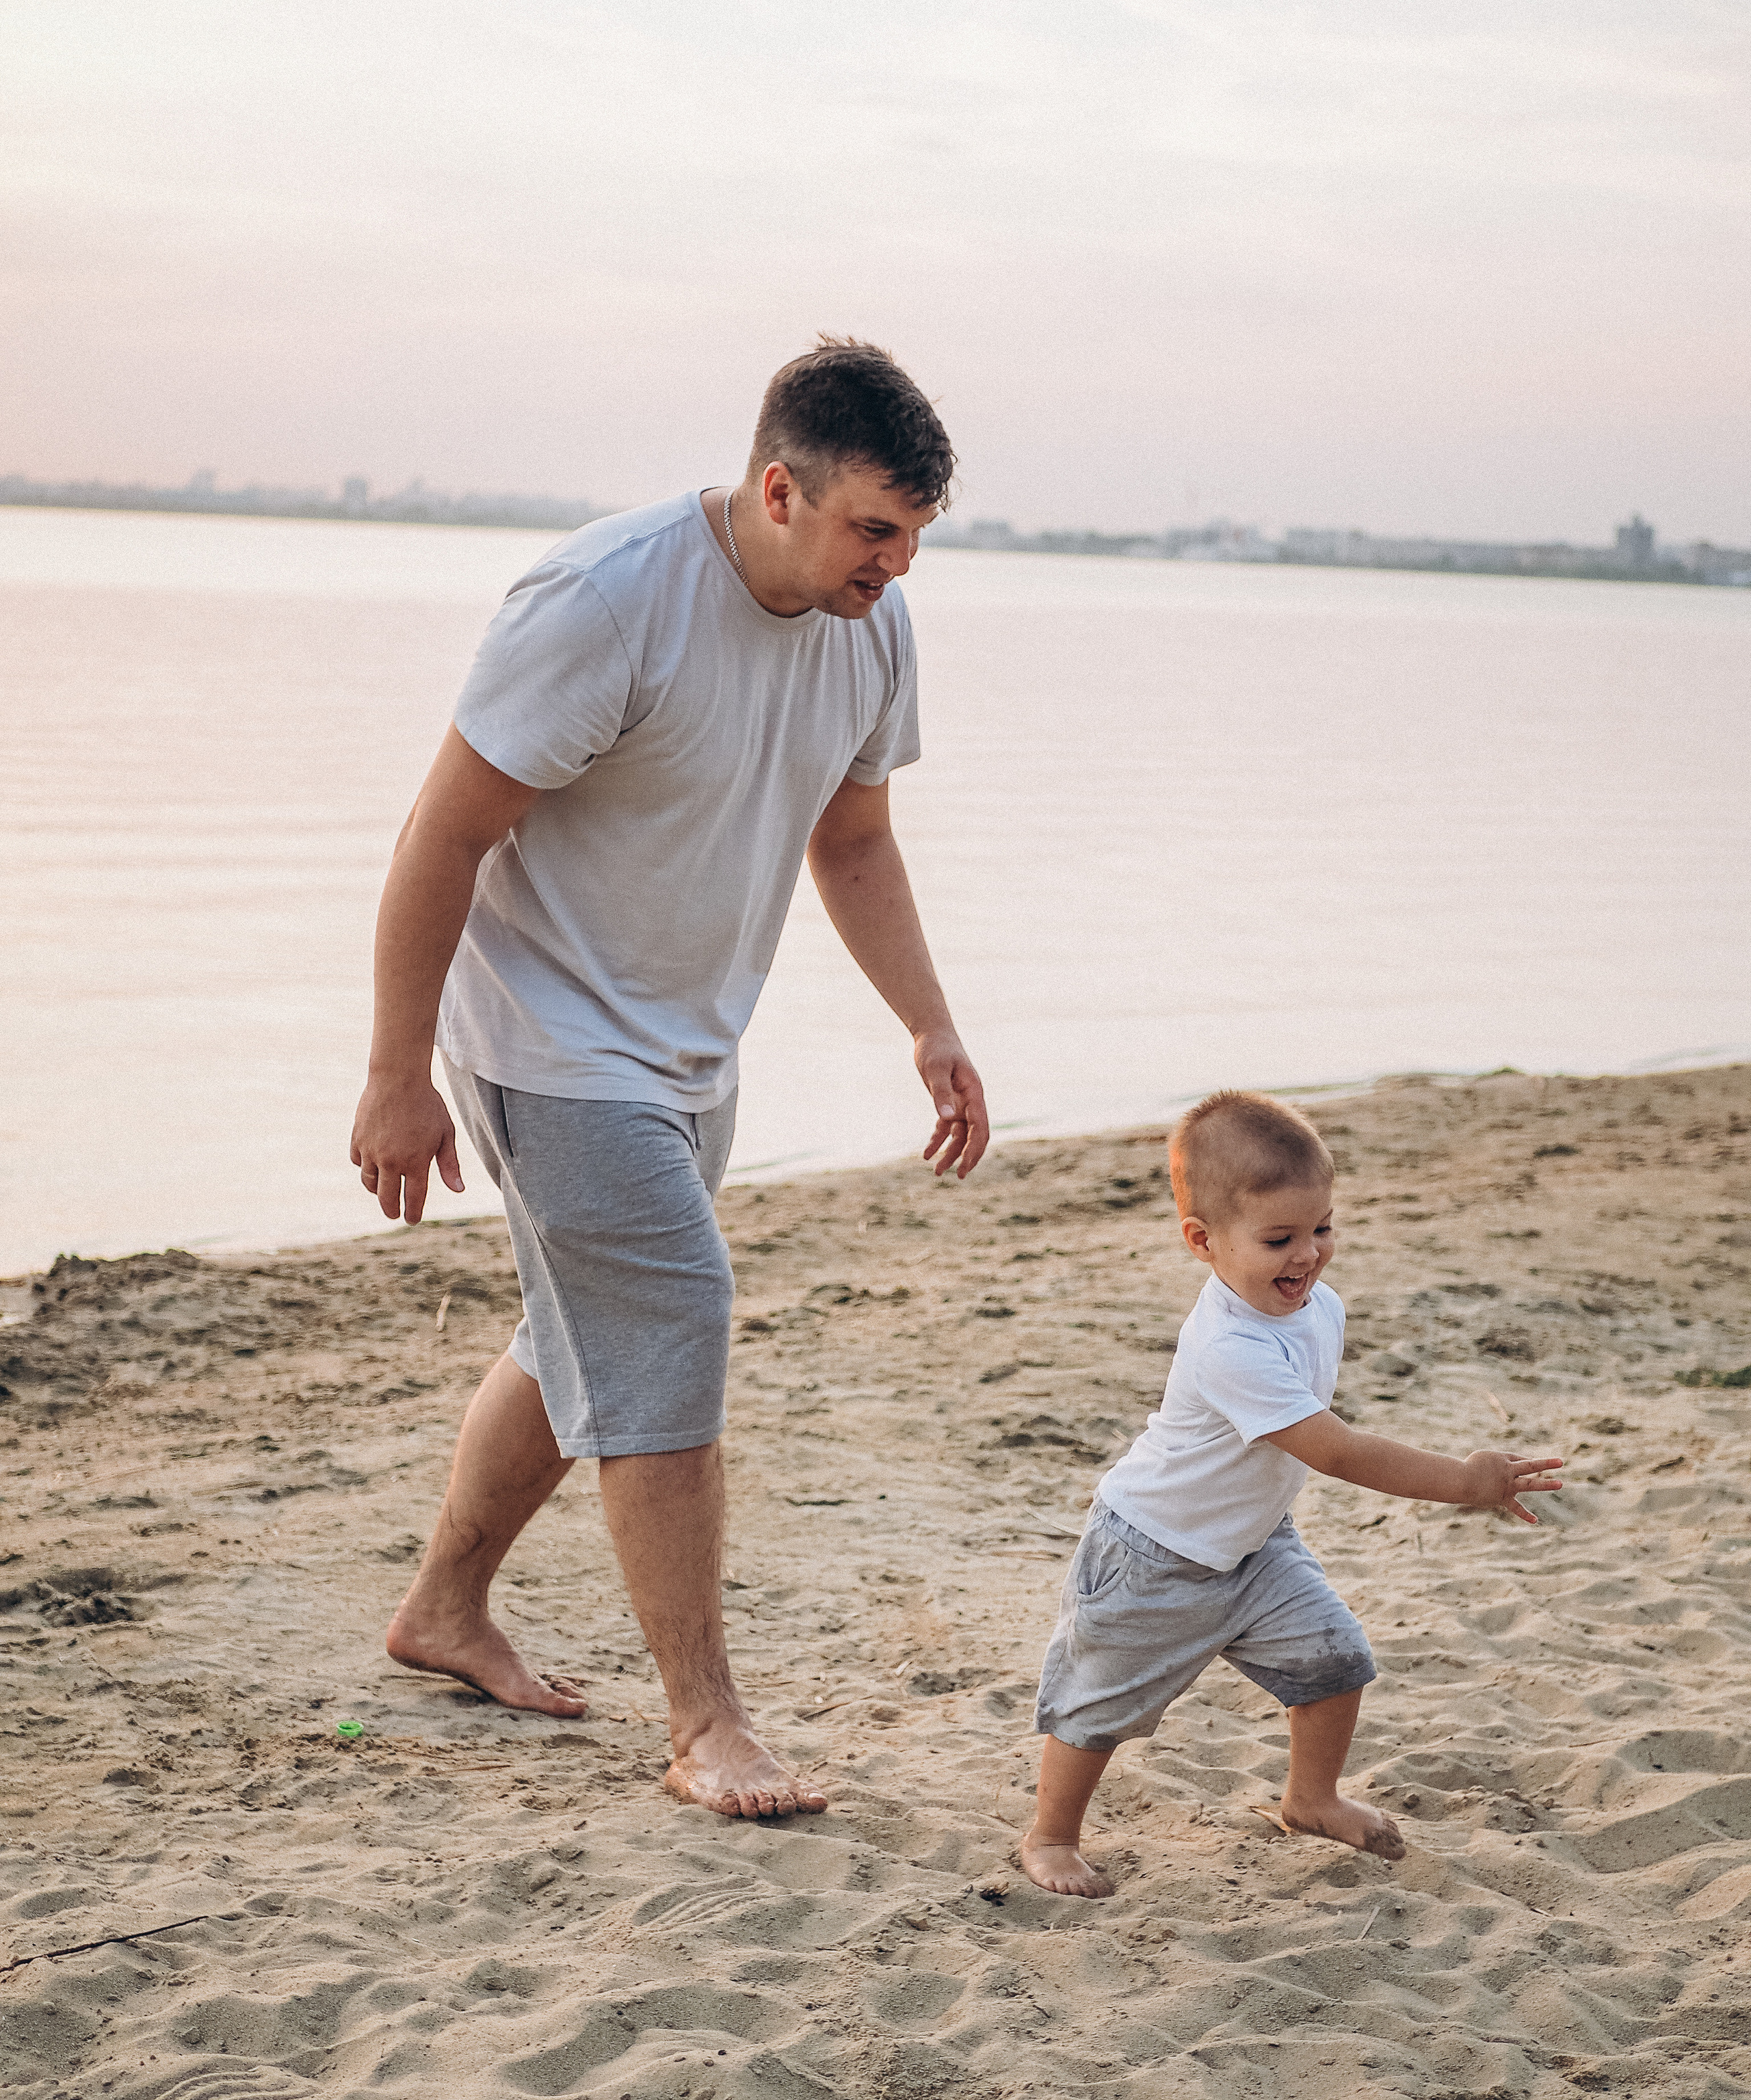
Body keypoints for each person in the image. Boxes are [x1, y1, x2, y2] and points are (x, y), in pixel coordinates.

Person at [349, 338, 988, 1820]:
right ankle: (705, 1723)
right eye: (872, 530)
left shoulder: (866, 627)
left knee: (581, 1335)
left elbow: (854, 842)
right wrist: (395, 1072)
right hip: (543, 1036)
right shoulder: (605, 601)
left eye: (912, 536)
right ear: (780, 487)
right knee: (671, 1313)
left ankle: (443, 1607)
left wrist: (930, 1023)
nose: (894, 566)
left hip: (689, 1047)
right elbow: (438, 837)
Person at [1021, 1090, 1562, 1896]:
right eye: (1278, 1238)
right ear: (1202, 1242)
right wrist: (1465, 1480)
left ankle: (1310, 1799)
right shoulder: (1227, 1345)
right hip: (1153, 1553)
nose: (1307, 1255)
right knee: (1095, 1707)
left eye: (1322, 1228)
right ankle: (1051, 1835)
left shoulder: (1316, 1307)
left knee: (1336, 1662)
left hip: (1254, 1543)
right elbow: (1336, 1450)